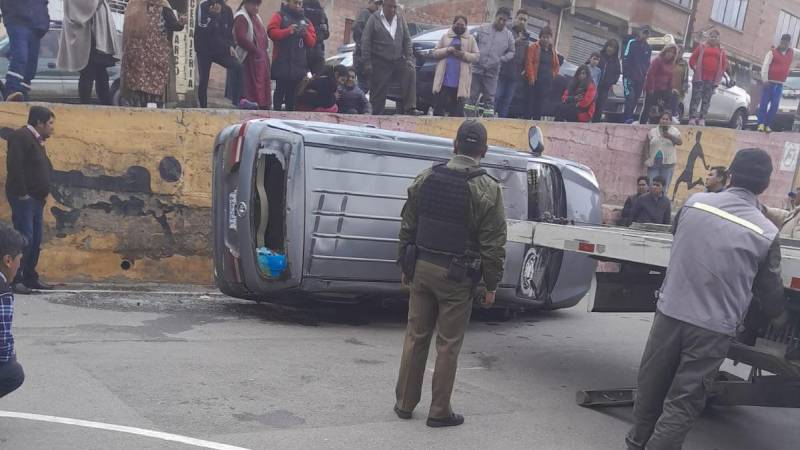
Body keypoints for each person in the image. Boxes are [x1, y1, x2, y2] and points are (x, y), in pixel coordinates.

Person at [626, 148, 784, 449]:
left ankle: (634, 444)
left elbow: (680, 238)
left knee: (650, 391)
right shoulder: (766, 232)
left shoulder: (694, 203)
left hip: (669, 313)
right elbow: (770, 290)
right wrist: (778, 316)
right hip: (712, 330)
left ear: (731, 175)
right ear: (765, 185)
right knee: (682, 402)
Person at [395, 119, 507, 428]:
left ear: (454, 145)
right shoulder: (488, 188)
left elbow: (408, 224)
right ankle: (439, 411)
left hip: (421, 267)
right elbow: (493, 243)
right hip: (457, 277)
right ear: (483, 150)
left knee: (415, 336)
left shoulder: (426, 177)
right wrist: (491, 283)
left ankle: (404, 403)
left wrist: (405, 264)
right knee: (447, 344)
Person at [5, 106, 55, 295]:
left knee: (35, 240)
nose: (52, 128)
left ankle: (29, 277)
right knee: (25, 238)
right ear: (39, 123)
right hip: (25, 198)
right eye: (50, 123)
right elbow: (14, 166)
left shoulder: (36, 140)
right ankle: (16, 279)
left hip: (36, 199)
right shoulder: (21, 137)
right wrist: (22, 193)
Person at [120, 0, 185, 107]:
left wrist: (181, 23)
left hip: (150, 58)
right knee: (145, 90)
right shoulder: (135, 5)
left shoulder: (136, 5)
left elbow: (175, 25)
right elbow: (175, 25)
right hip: (143, 57)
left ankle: (148, 108)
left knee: (147, 89)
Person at [57, 0, 122, 105]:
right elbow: (81, 7)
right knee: (88, 72)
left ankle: (105, 103)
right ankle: (85, 103)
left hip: (98, 36)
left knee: (101, 72)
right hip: (87, 35)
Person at [361, 0, 418, 115]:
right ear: (383, 5)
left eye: (394, 7)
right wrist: (367, 63)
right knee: (378, 91)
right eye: (390, 7)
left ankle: (410, 108)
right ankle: (376, 113)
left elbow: (407, 40)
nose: (392, 10)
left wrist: (409, 58)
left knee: (410, 70)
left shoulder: (400, 19)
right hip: (380, 60)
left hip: (397, 59)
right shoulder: (374, 19)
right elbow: (365, 41)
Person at [268, 0, 317, 112]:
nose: (298, 6)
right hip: (281, 62)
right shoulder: (279, 15)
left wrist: (305, 34)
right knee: (279, 91)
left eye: (300, 3)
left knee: (292, 96)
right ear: (288, 2)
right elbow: (271, 32)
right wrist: (288, 31)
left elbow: (312, 42)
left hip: (298, 66)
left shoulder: (306, 21)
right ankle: (275, 114)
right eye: (295, 3)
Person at [195, 0, 243, 109]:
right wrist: (213, 16)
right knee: (203, 79)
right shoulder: (203, 6)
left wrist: (231, 46)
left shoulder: (227, 10)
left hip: (221, 50)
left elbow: (230, 33)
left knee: (238, 67)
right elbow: (202, 29)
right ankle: (203, 107)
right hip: (204, 50)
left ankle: (237, 102)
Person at [467, 7, 514, 116]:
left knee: (489, 99)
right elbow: (472, 43)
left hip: (492, 72)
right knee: (471, 96)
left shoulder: (508, 36)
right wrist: (475, 56)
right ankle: (467, 119)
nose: (502, 22)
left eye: (505, 20)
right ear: (496, 16)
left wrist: (502, 59)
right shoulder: (482, 28)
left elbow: (512, 52)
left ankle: (487, 122)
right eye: (500, 19)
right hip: (477, 69)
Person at [0, 0, 49, 101]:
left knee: (31, 64)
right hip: (17, 20)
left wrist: (45, 20)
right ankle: (11, 90)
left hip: (37, 25)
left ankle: (22, 91)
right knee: (20, 57)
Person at [432, 16, 479, 117]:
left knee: (457, 113)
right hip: (444, 81)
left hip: (460, 82)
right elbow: (435, 53)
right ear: (453, 24)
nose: (460, 27)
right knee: (439, 110)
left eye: (462, 25)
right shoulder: (445, 37)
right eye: (458, 24)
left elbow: (476, 56)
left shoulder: (470, 39)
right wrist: (448, 49)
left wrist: (463, 54)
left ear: (466, 26)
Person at [0, 223, 25, 398]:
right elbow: (2, 344)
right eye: (19, 260)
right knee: (13, 372)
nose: (18, 267)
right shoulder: (2, 291)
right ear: (8, 260)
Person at [234, 0, 271, 110]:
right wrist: (256, 51)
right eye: (253, 4)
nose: (256, 7)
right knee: (250, 87)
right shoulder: (241, 17)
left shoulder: (256, 17)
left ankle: (263, 105)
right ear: (246, 3)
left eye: (257, 5)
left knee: (262, 87)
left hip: (260, 59)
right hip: (248, 58)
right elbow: (241, 38)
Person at [688, 29, 728, 126]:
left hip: (711, 80)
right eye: (711, 36)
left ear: (718, 39)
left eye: (715, 37)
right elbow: (692, 59)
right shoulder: (702, 47)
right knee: (696, 98)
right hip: (700, 78)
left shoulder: (721, 51)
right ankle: (692, 118)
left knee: (706, 100)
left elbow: (724, 64)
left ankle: (702, 118)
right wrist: (694, 68)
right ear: (708, 37)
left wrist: (720, 74)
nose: (713, 38)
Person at [495, 10, 530, 118]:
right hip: (502, 71)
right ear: (515, 18)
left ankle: (501, 123)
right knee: (496, 97)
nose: (522, 22)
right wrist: (515, 41)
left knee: (507, 101)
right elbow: (500, 46)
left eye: (525, 20)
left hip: (515, 75)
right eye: (520, 18)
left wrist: (524, 69)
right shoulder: (507, 29)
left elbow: (526, 54)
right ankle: (489, 120)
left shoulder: (526, 35)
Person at [757, 34, 795, 133]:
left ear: (789, 43)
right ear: (780, 42)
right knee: (764, 103)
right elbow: (765, 66)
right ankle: (761, 123)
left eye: (786, 43)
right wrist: (764, 79)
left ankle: (768, 124)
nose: (784, 44)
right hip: (769, 82)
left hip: (779, 84)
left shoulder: (792, 53)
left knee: (775, 105)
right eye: (783, 42)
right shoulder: (772, 52)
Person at [524, 26, 560, 120]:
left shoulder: (552, 50)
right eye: (543, 37)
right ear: (540, 37)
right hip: (534, 81)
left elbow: (556, 65)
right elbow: (529, 62)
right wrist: (531, 76)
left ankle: (536, 123)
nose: (545, 39)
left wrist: (553, 75)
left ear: (550, 38)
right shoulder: (534, 47)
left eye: (548, 37)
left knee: (539, 105)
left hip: (546, 82)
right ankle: (526, 122)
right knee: (529, 104)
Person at [644, 111, 682, 190]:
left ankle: (662, 201)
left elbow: (679, 142)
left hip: (668, 164)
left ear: (670, 121)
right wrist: (647, 158)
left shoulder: (674, 131)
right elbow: (646, 145)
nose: (664, 121)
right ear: (659, 120)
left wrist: (669, 136)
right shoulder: (652, 131)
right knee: (652, 185)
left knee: (664, 186)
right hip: (653, 163)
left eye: (666, 119)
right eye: (662, 119)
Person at [641, 44, 677, 124]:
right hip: (653, 89)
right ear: (665, 51)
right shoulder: (658, 60)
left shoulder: (671, 64)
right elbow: (650, 74)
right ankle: (642, 124)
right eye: (669, 51)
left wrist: (671, 88)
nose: (670, 54)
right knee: (648, 109)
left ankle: (658, 125)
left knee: (661, 110)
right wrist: (651, 88)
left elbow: (671, 77)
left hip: (664, 90)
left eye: (672, 52)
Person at [622, 28, 652, 124]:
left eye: (647, 34)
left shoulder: (648, 48)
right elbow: (625, 56)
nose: (645, 35)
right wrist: (626, 72)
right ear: (640, 33)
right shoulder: (632, 42)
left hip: (640, 78)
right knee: (630, 97)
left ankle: (629, 117)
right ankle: (627, 118)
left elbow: (647, 63)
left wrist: (645, 74)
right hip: (629, 76)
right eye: (644, 33)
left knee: (635, 98)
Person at [352, 0, 383, 92]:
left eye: (379, 4)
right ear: (370, 2)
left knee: (365, 84)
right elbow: (357, 30)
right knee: (363, 85)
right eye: (376, 3)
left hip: (366, 56)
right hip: (362, 56)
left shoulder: (374, 16)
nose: (378, 6)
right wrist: (364, 45)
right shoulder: (366, 13)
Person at [671, 131, 709, 201]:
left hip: (689, 170)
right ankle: (698, 181)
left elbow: (702, 156)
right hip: (687, 169)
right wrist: (705, 166)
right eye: (696, 136)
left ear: (699, 137)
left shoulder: (698, 146)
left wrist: (705, 166)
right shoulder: (696, 145)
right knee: (683, 184)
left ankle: (698, 181)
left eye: (697, 136)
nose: (696, 137)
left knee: (678, 182)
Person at [594, 39, 621, 122]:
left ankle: (595, 124)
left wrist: (611, 81)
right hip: (594, 85)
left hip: (605, 88)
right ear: (606, 46)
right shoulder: (598, 55)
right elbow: (588, 65)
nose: (610, 49)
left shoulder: (616, 61)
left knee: (599, 106)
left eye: (613, 48)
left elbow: (617, 73)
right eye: (609, 46)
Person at [302, 0, 330, 75]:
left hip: (303, 49)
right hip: (317, 49)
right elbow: (326, 34)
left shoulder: (301, 7)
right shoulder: (321, 12)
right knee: (318, 78)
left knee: (300, 80)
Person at [671, 47, 690, 124]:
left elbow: (686, 77)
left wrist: (684, 88)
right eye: (677, 52)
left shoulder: (684, 64)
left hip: (678, 89)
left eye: (681, 52)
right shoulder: (669, 61)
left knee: (675, 107)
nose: (678, 54)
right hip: (667, 88)